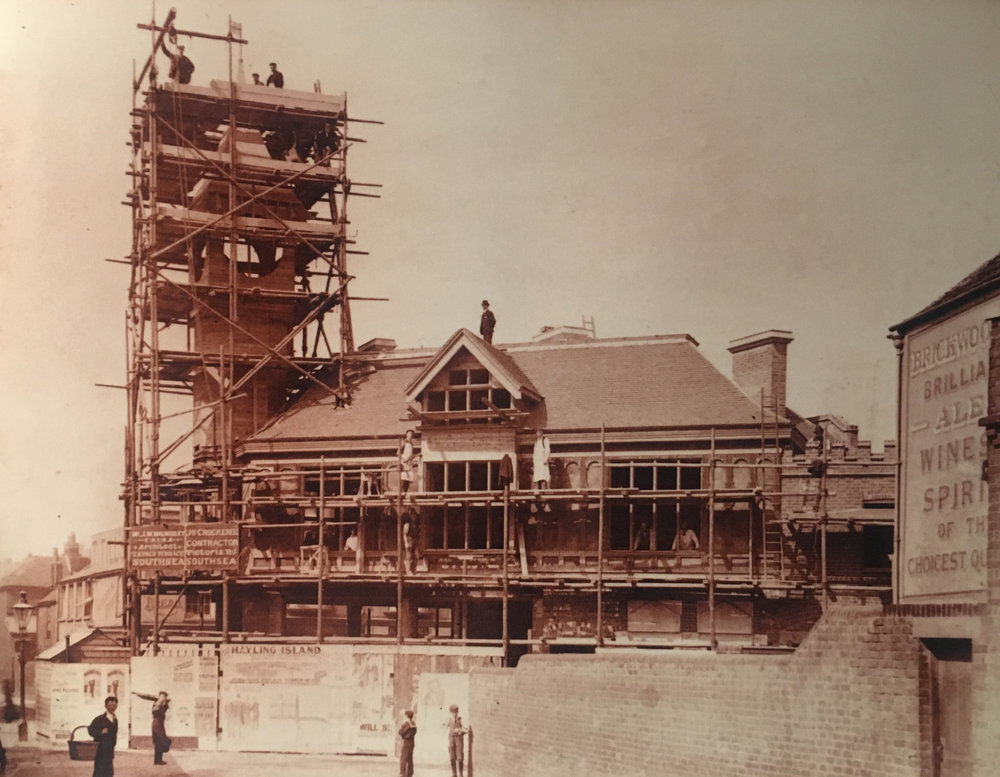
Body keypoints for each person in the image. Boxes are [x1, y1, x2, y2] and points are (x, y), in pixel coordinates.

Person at [133, 690, 171, 765]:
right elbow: (149, 699)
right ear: (159, 696)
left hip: (161, 724)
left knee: (160, 742)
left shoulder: (164, 704)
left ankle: (158, 760)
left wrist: (165, 701)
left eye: (164, 696)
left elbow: (166, 706)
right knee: (162, 741)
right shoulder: (156, 704)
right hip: (156, 724)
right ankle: (159, 758)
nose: (163, 697)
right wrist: (138, 693)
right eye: (162, 696)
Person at [87, 695, 118, 777]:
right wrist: (101, 732)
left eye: (114, 706)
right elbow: (90, 730)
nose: (112, 707)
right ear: (105, 706)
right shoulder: (99, 719)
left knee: (109, 772)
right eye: (110, 705)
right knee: (99, 772)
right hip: (100, 751)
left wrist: (113, 744)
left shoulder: (115, 719)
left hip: (110, 751)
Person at [447, 704, 468, 777]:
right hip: (451, 738)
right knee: (452, 756)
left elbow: (467, 729)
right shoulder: (449, 719)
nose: (454, 714)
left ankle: (461, 773)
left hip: (459, 739)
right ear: (450, 712)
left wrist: (459, 730)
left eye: (456, 712)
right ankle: (454, 773)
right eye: (453, 712)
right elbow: (444, 726)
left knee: (460, 757)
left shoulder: (461, 719)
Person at [398, 709, 417, 777]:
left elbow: (400, 732)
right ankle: (410, 773)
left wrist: (402, 733)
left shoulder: (406, 724)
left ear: (406, 716)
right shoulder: (413, 723)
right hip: (412, 742)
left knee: (403, 758)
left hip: (406, 742)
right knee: (410, 759)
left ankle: (402, 773)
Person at [398, 430, 416, 496]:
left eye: (412, 434)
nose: (410, 435)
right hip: (404, 462)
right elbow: (398, 453)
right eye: (409, 433)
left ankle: (405, 493)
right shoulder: (404, 442)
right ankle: (402, 494)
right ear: (407, 434)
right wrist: (404, 460)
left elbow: (411, 455)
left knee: (409, 477)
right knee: (404, 477)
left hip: (409, 462)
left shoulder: (411, 443)